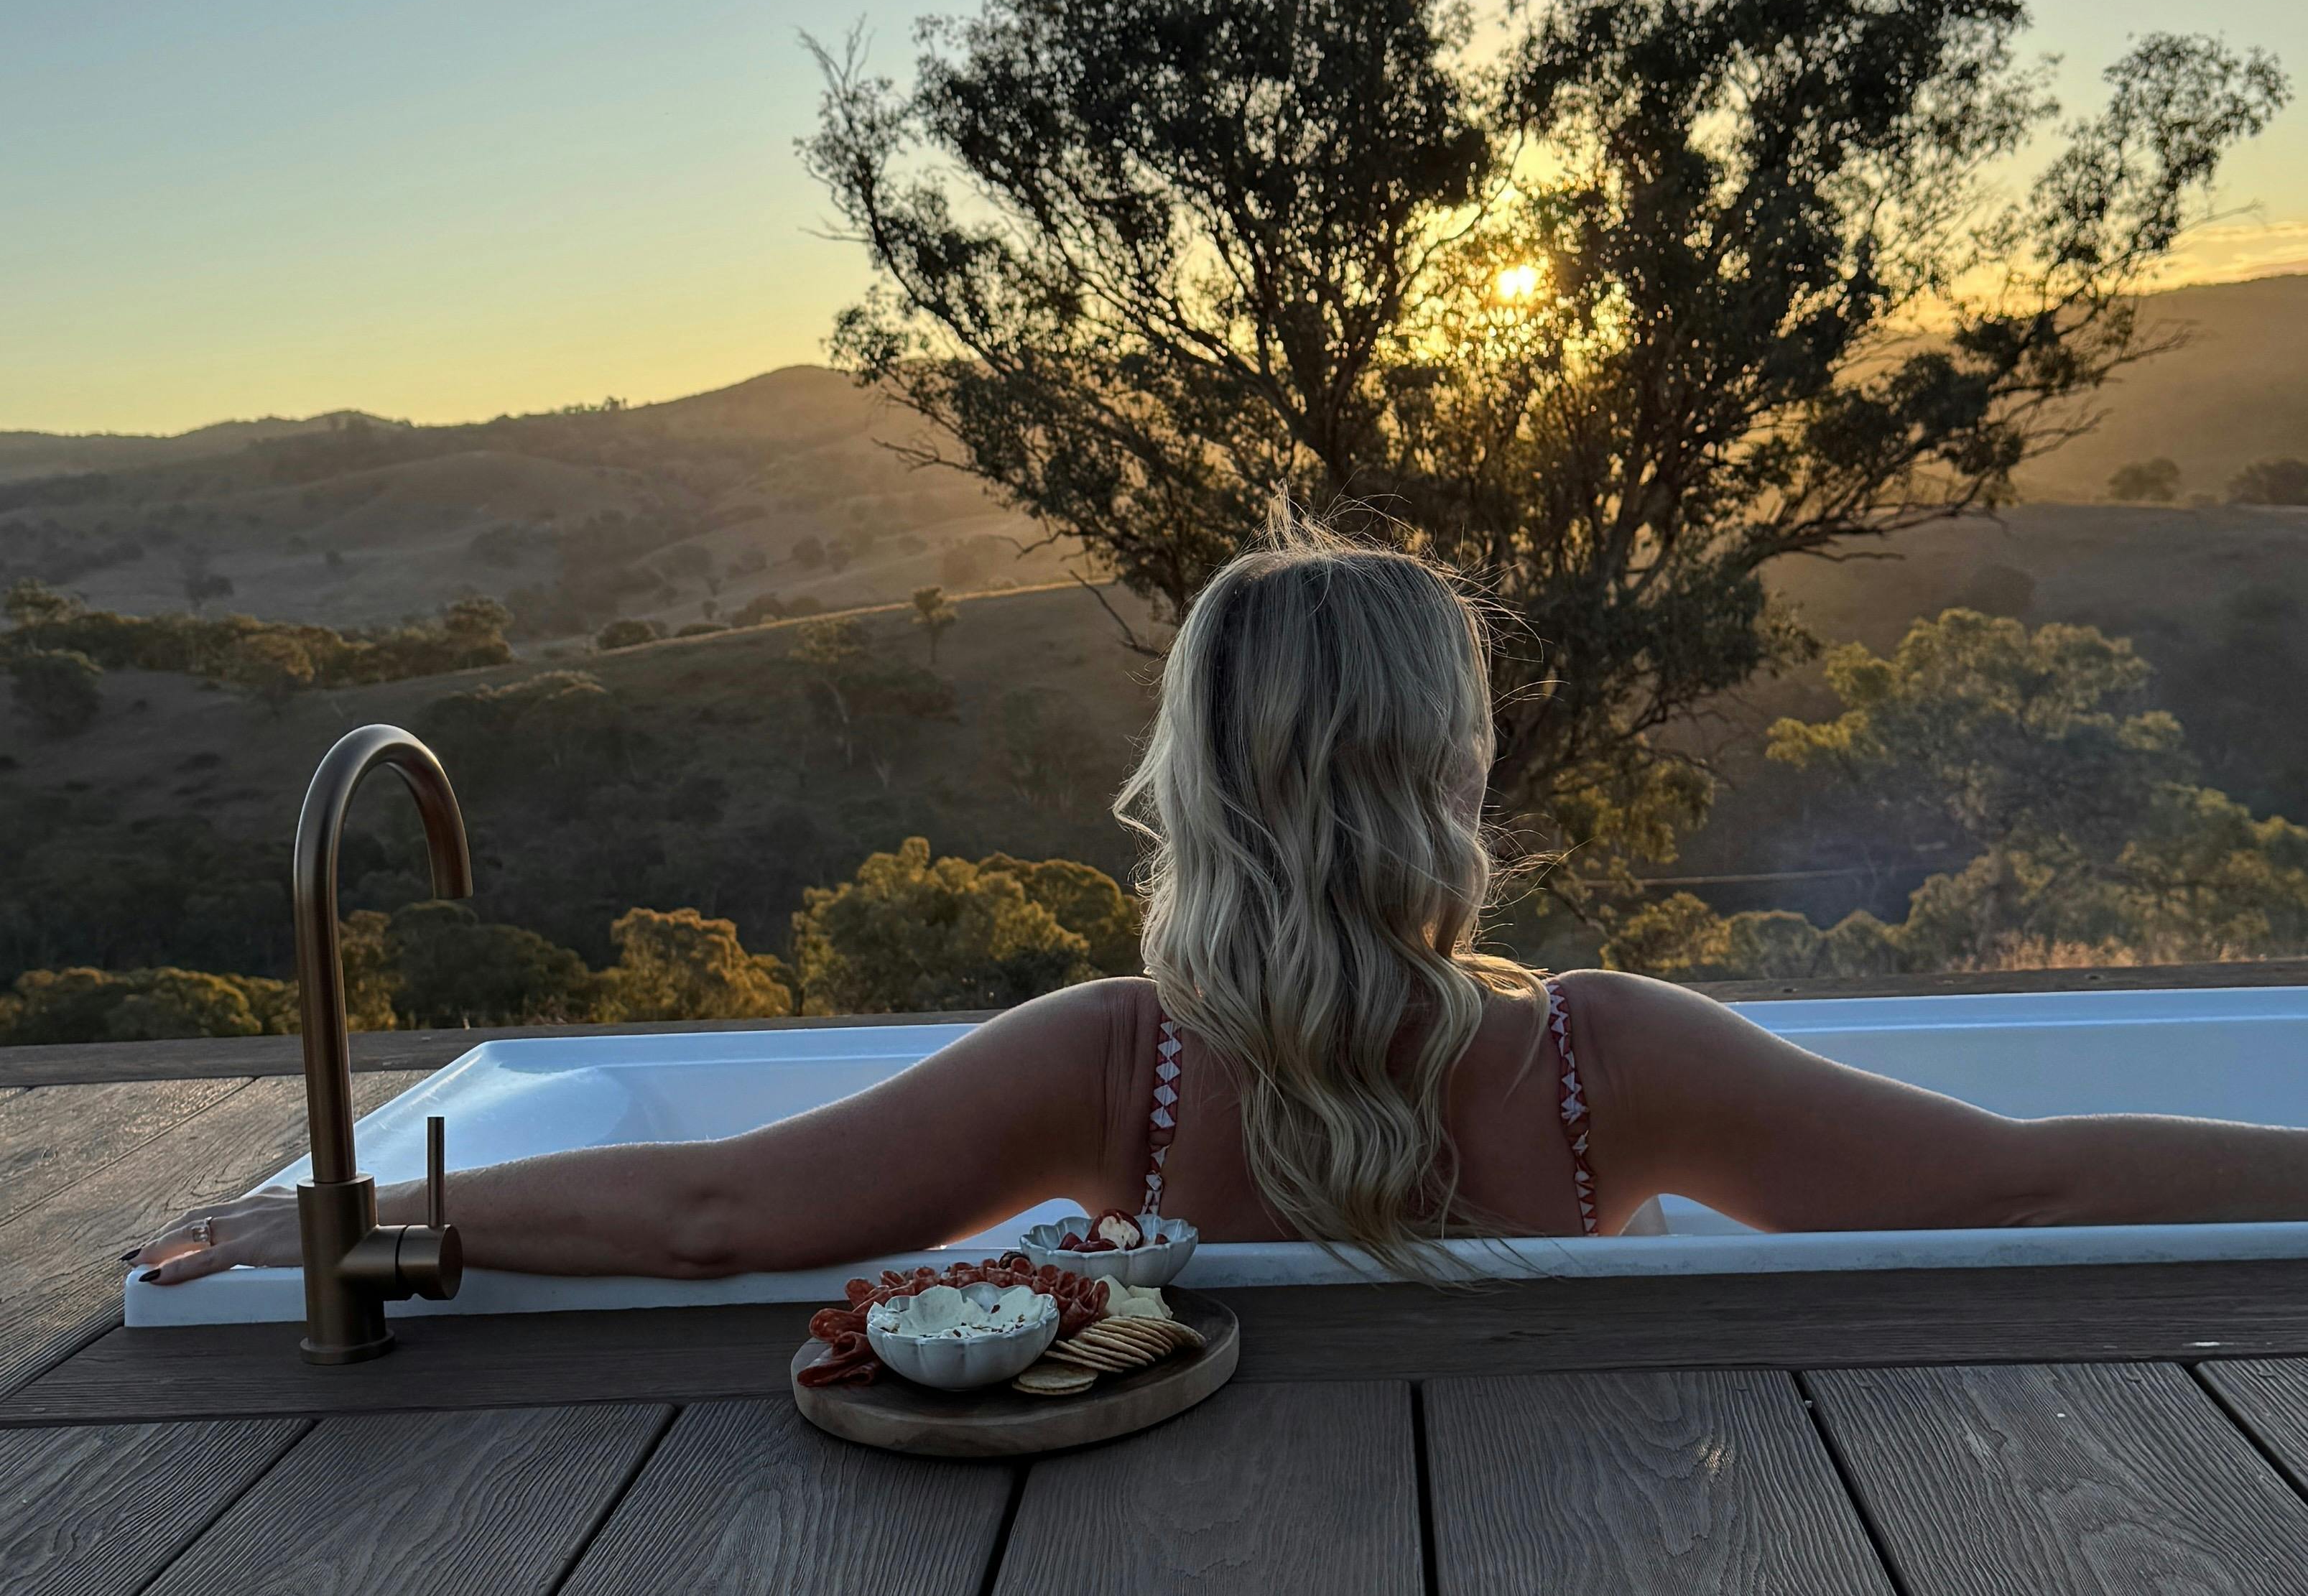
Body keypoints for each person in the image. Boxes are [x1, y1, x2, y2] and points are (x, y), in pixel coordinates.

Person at [131, 525, 2308, 1289]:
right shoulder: (1602, 1059)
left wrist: (349, 1215)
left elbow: (714, 1216)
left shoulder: (1118, 1065)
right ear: (1451, 768)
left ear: (1198, 776)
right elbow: (2024, 1184)